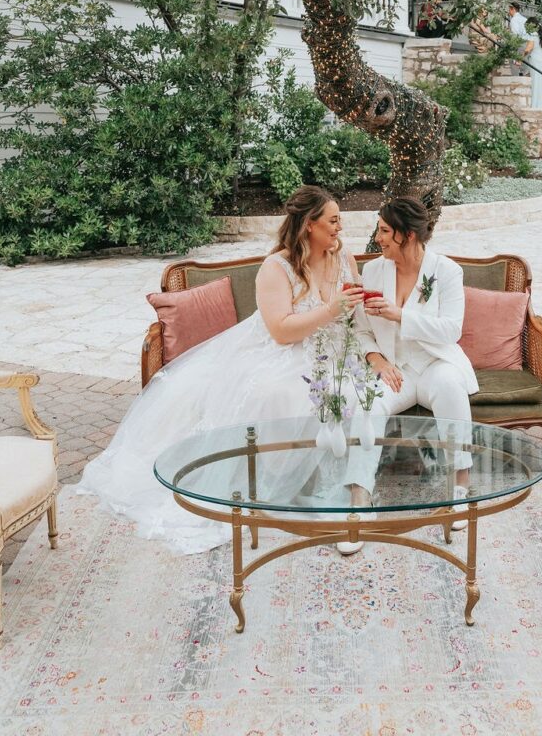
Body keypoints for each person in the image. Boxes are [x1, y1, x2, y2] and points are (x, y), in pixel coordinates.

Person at [78, 185, 366, 554]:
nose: (340, 227)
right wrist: (331, 310)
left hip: (334, 350)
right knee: (281, 394)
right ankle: (300, 493)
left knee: (348, 393)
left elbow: (351, 312)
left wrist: (363, 313)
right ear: (310, 224)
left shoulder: (343, 258)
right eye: (333, 220)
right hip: (283, 351)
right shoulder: (276, 267)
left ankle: (342, 493)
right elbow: (279, 331)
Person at [339, 197, 477, 555]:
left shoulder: (446, 271)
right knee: (367, 404)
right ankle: (358, 501)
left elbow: (451, 331)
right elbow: (361, 330)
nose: (378, 238)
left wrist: (400, 315)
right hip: (393, 371)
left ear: (407, 234)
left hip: (434, 364)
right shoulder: (373, 272)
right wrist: (377, 360)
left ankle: (459, 488)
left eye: (385, 231)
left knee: (449, 386)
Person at [522, 16, 542, 110]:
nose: (526, 28)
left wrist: (519, 58)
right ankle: (541, 104)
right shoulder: (539, 34)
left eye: (526, 26)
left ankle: (535, 106)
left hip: (537, 61)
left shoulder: (533, 34)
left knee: (536, 82)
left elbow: (529, 48)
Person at [508, 1, 528, 75]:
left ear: (512, 9)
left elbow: (515, 35)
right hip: (527, 42)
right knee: (525, 64)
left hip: (520, 43)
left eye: (509, 9)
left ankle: (515, 78)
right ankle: (524, 77)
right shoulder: (524, 18)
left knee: (513, 61)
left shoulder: (514, 20)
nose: (508, 12)